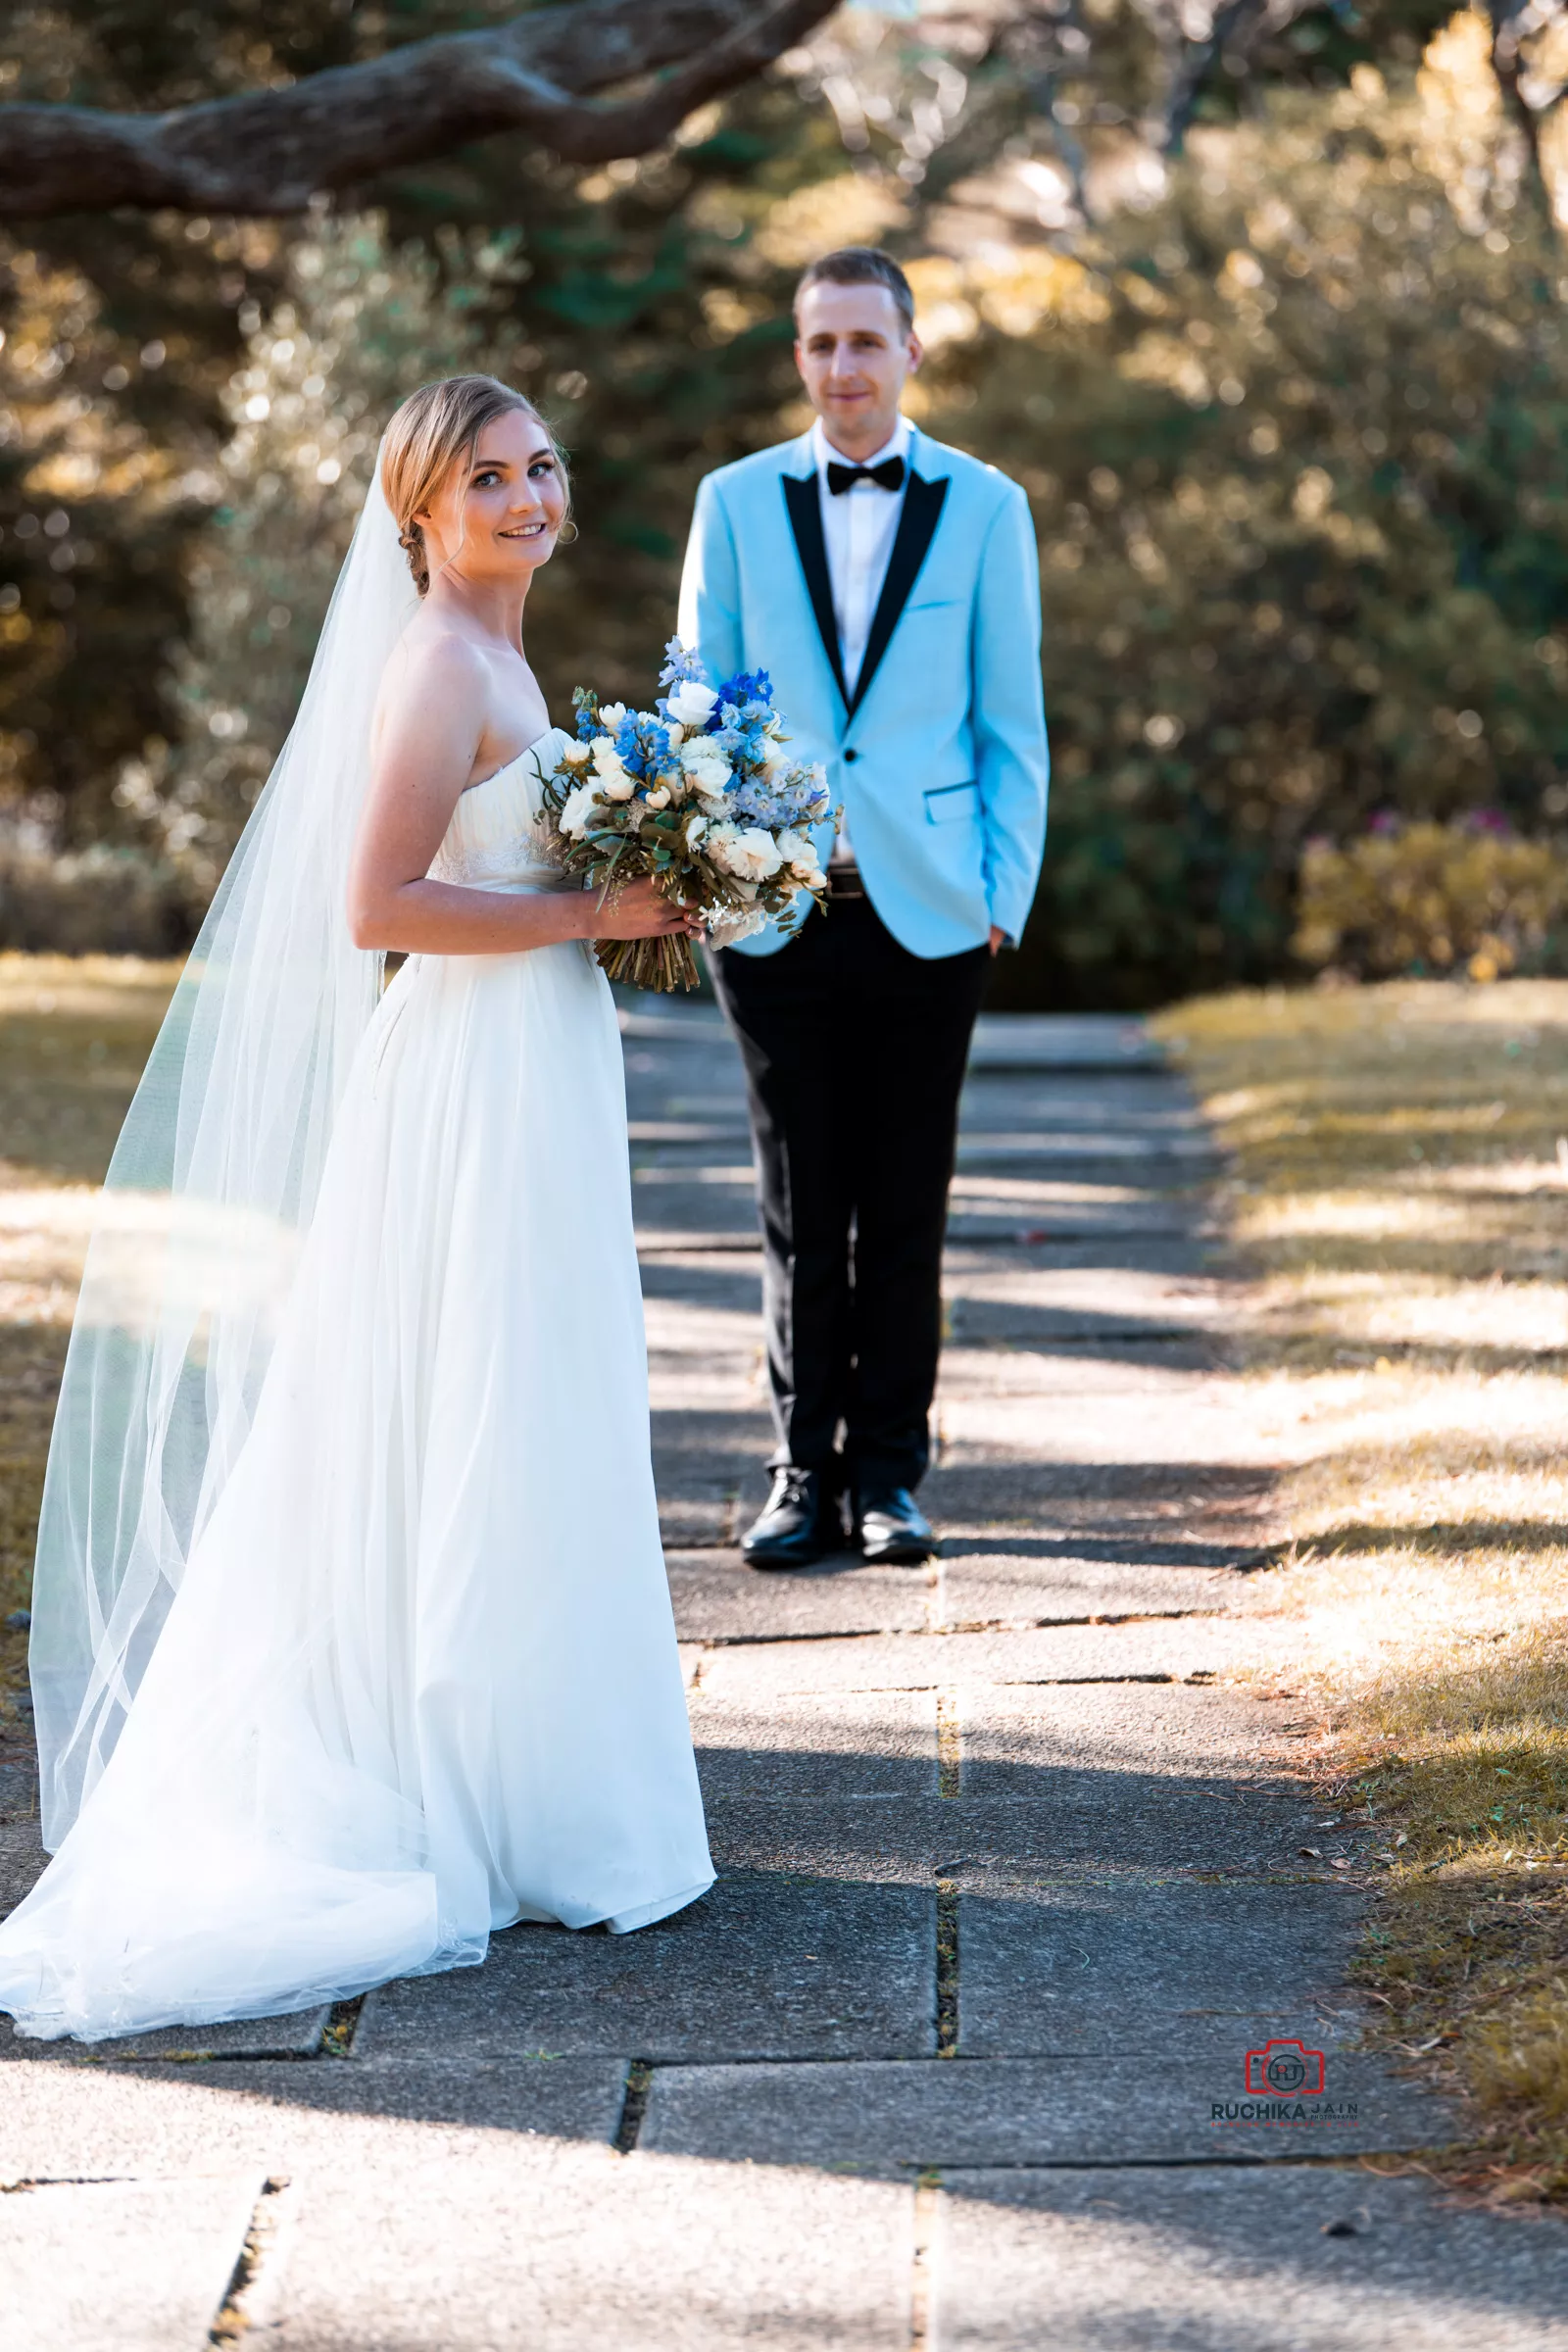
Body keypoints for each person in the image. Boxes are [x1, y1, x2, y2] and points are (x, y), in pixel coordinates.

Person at [0, 375, 713, 2043]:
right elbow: (375, 904)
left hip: (532, 1064)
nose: (530, 498)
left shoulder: (505, 655)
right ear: (420, 508)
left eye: (541, 468)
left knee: (524, 1403)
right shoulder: (442, 665)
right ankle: (459, 1784)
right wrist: (596, 907)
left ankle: (534, 1782)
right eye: (490, 478)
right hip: (468, 1079)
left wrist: (652, 895)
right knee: (470, 1402)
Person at [678, 247, 1050, 1572]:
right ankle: (799, 1475)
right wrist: (713, 882)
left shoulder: (989, 507)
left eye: (865, 341)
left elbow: (1013, 724)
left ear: (909, 350)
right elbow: (700, 706)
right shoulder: (731, 503)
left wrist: (1003, 890)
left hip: (933, 909)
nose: (844, 366)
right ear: (800, 358)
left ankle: (889, 1479)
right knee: (798, 1205)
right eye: (821, 343)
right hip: (773, 916)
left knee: (904, 1207)